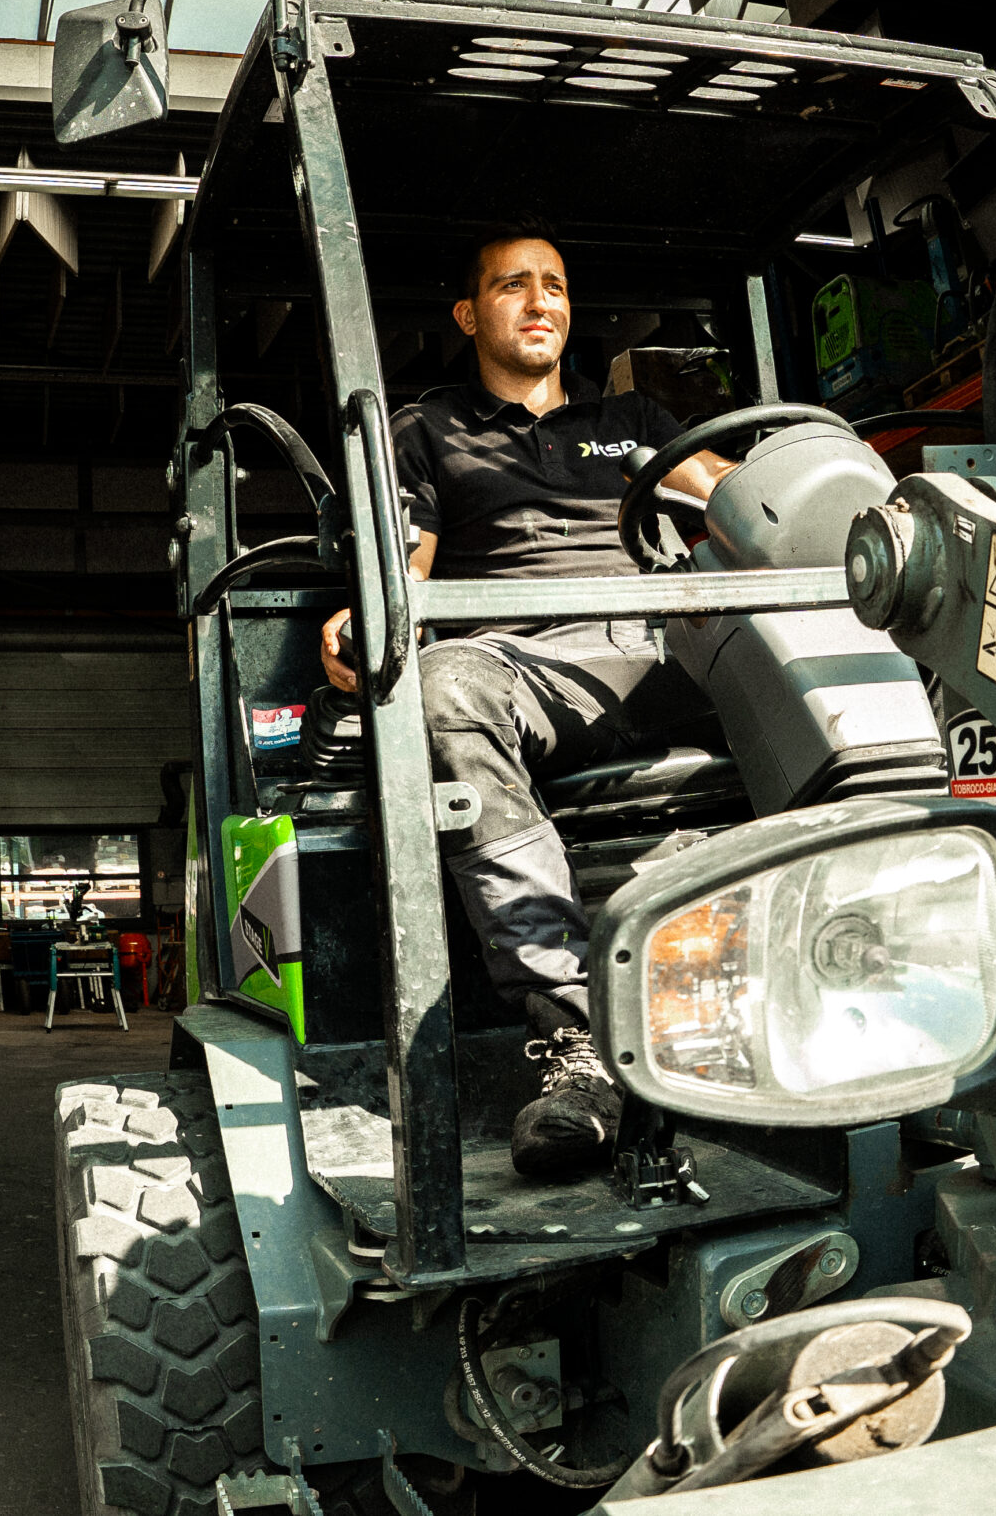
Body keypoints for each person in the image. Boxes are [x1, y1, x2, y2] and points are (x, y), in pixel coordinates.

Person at [313, 217, 732, 1177]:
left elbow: (748, 504)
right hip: (522, 665)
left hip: (657, 649)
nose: (541, 301)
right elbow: (408, 571)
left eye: (555, 285)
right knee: (442, 683)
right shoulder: (426, 431)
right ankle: (579, 1041)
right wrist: (368, 618)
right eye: (513, 285)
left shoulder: (632, 421)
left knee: (826, 637)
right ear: (469, 314)